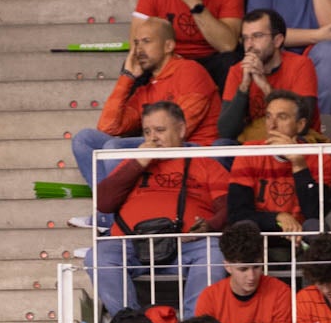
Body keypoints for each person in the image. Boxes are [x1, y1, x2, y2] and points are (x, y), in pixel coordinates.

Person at [88, 102, 228, 320]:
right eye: (147, 132)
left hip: (187, 244)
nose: (152, 138)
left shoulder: (206, 164)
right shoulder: (133, 162)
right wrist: (137, 164)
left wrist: (211, 226)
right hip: (133, 243)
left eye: (160, 131)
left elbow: (228, 208)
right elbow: (104, 203)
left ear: (181, 130)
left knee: (215, 253)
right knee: (97, 255)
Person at [70, 17, 219, 192]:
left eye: (146, 42)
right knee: (84, 139)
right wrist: (127, 76)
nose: (139, 50)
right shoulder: (146, 89)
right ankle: (109, 215)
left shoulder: (189, 71)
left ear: (168, 46)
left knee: (115, 148)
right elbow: (108, 127)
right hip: (158, 148)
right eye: (136, 43)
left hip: (194, 149)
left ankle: (116, 212)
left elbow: (178, 132)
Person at [245, 0, 331, 115]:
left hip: (319, 57)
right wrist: (317, 36)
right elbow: (260, 35)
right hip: (277, 57)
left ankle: (324, 128)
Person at [226, 91, 331, 238]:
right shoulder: (249, 152)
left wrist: (299, 165)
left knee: (315, 226)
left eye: (282, 117)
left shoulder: (319, 157)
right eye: (268, 116)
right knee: (243, 229)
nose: (272, 125)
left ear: (300, 125)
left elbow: (315, 213)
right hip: (261, 235)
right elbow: (237, 214)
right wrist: (278, 217)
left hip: (302, 237)